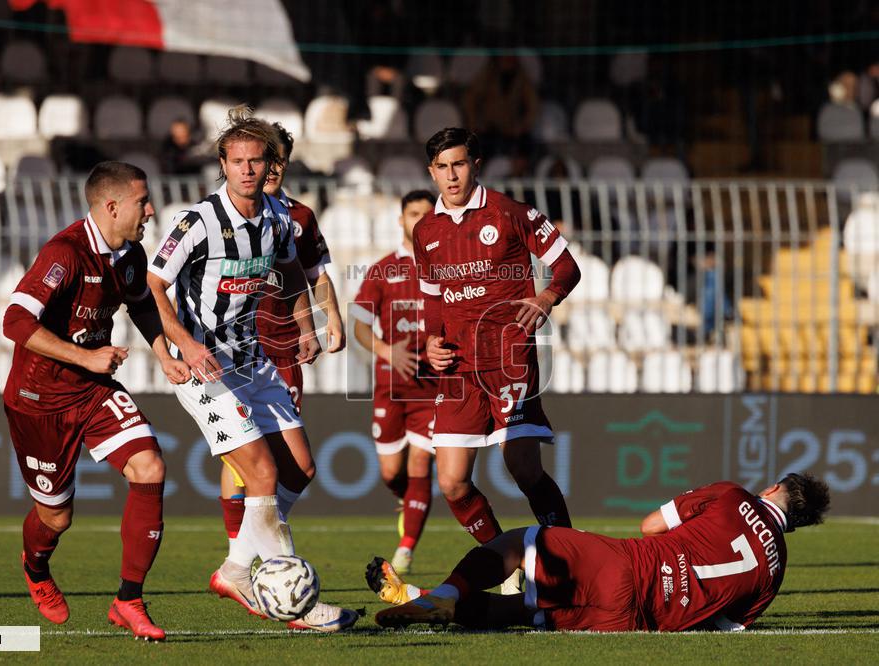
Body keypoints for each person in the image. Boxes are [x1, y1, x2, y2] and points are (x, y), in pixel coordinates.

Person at [145, 106, 358, 632]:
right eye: (236, 161)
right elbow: (151, 287)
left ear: (270, 167)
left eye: (255, 161)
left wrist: (306, 322)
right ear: (223, 163)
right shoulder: (197, 223)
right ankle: (296, 602)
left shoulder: (279, 220)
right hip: (207, 369)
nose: (246, 169)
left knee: (300, 469)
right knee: (260, 473)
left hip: (255, 361)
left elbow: (290, 270)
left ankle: (236, 568)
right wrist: (179, 347)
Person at [1, 161, 191, 641]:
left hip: (93, 391)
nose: (150, 209)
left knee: (149, 467)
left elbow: (142, 303)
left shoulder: (130, 254)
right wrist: (85, 358)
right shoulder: (63, 253)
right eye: (142, 201)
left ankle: (128, 600)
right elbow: (15, 323)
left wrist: (163, 354)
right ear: (112, 206)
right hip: (38, 398)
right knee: (56, 517)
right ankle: (37, 567)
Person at [413, 128, 581, 592]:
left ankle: (571, 562)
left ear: (475, 164)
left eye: (459, 164)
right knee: (451, 483)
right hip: (459, 370)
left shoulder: (510, 213)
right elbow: (431, 299)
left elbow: (568, 266)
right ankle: (505, 569)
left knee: (524, 470)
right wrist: (430, 340)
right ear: (431, 172)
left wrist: (546, 297)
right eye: (442, 167)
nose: (451, 175)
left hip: (508, 361)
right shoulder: (425, 230)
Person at [371, 473, 831, 631]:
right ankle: (415, 595)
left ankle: (442, 594)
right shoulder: (776, 572)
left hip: (631, 565)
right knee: (516, 613)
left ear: (774, 488)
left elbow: (650, 526)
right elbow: (726, 624)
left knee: (519, 543)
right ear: (801, 523)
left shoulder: (734, 496)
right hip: (637, 621)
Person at [217, 121, 345, 567]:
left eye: (274, 160)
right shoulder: (227, 217)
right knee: (243, 454)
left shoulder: (299, 217)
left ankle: (248, 550)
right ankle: (243, 555)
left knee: (294, 465)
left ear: (282, 164)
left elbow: (314, 275)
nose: (266, 169)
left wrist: (325, 321)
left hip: (285, 348)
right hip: (240, 347)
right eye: (258, 159)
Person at [350, 190, 438, 573]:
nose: (419, 220)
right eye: (413, 213)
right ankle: (408, 500)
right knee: (391, 473)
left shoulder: (447, 269)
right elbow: (359, 326)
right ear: (401, 220)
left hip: (434, 385)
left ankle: (405, 549)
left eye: (427, 214)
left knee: (421, 462)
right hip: (390, 384)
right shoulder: (383, 269)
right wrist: (388, 352)